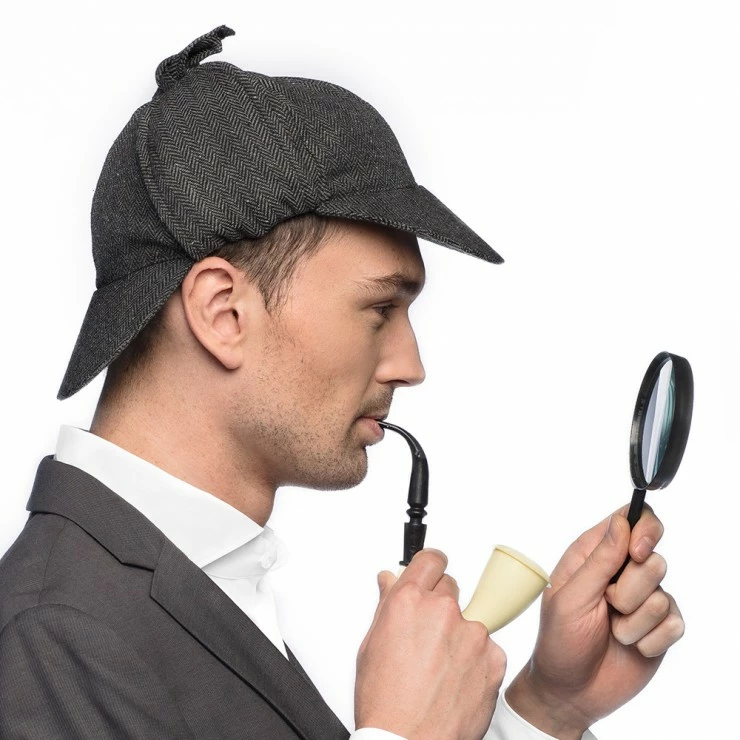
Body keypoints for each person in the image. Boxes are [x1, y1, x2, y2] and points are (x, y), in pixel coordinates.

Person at [0, 25, 683, 740]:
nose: (411, 365)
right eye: (380, 309)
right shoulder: (54, 638)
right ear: (223, 312)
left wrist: (548, 708)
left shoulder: (179, 587)